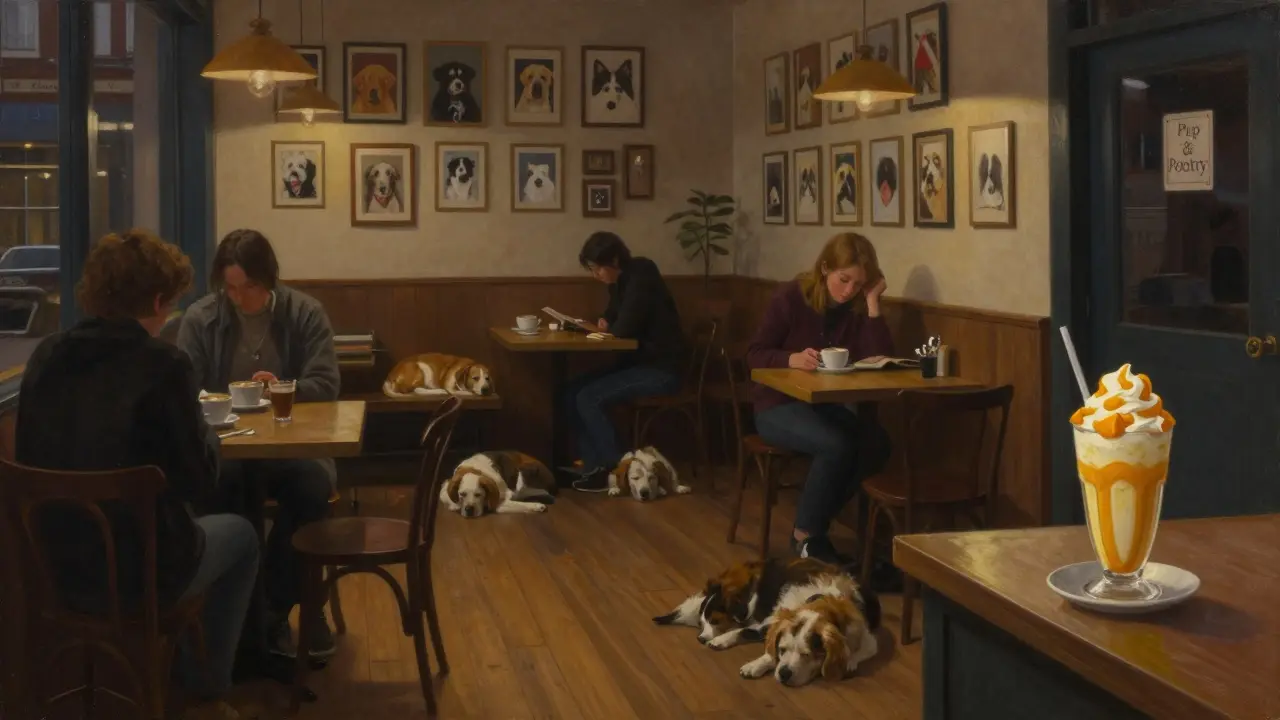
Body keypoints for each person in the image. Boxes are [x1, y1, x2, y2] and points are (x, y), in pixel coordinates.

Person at [16, 230, 261, 719]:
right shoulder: (163, 365)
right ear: (156, 300)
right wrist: (209, 434)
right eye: (170, 302)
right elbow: (198, 482)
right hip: (142, 578)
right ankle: (206, 692)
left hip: (53, 570)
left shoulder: (46, 356)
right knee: (242, 534)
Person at [176, 229, 341, 661]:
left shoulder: (304, 313)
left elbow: (326, 384)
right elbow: (185, 389)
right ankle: (236, 621)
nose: (239, 297)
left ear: (268, 279)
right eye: (229, 288)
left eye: (248, 286)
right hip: (227, 446)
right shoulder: (201, 318)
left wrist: (283, 387)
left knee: (311, 488)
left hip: (294, 446)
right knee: (221, 489)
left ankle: (276, 609)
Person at [745, 232, 893, 565]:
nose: (848, 290)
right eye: (844, 279)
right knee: (835, 445)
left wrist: (872, 303)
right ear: (825, 268)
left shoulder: (856, 307)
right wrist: (790, 359)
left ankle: (816, 524)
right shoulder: (790, 297)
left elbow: (881, 360)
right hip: (776, 405)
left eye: (859, 284)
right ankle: (805, 535)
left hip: (823, 404)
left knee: (877, 443)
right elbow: (754, 354)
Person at [562, 232, 688, 491]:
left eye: (597, 268)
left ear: (615, 260)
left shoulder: (642, 273)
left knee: (588, 398)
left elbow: (624, 328)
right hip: (637, 364)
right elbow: (612, 317)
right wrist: (606, 321)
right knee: (571, 391)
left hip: (662, 369)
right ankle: (592, 465)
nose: (595, 275)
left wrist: (612, 325)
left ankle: (614, 470)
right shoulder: (619, 282)